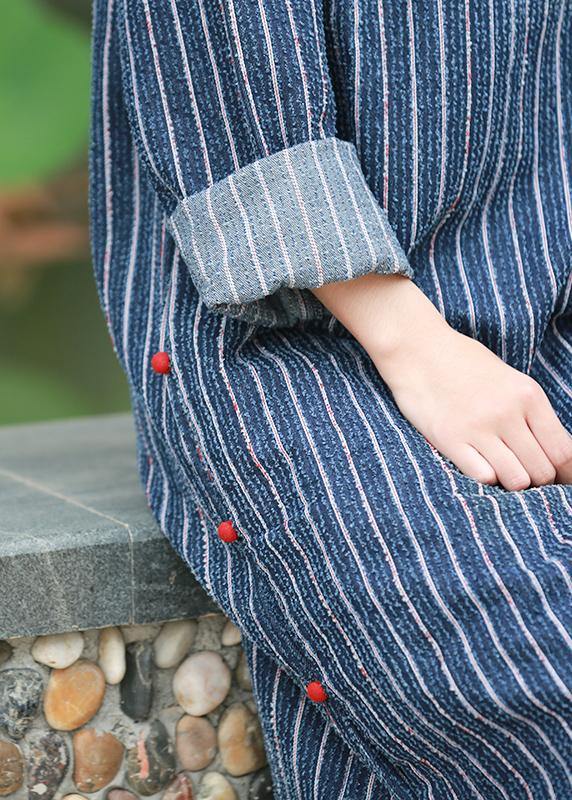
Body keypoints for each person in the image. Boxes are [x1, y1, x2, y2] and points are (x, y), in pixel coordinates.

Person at [89, 1, 572, 797]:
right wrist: (416, 347)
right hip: (297, 341)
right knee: (534, 667)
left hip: (541, 303)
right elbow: (222, 78)